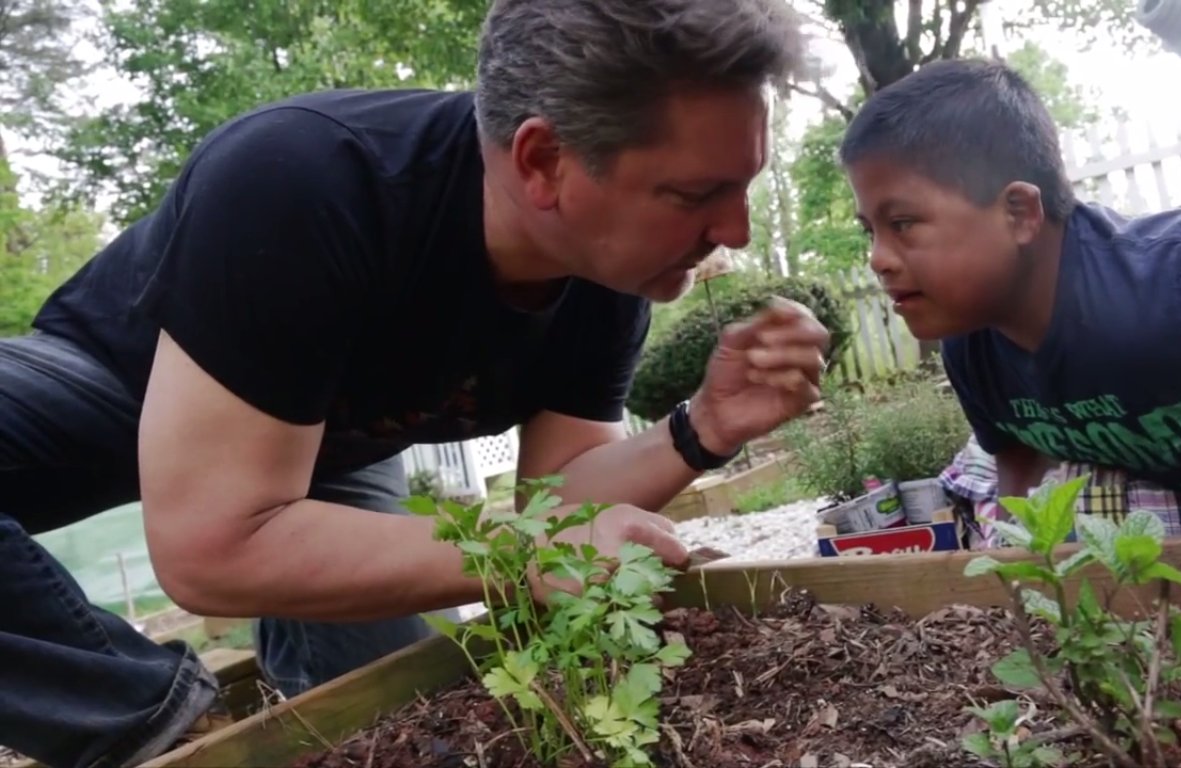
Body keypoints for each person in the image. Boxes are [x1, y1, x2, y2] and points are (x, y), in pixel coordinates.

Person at [0, 1, 830, 766]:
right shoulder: (309, 179)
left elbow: (557, 503)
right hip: (117, 382)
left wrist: (701, 428)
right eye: (696, 194)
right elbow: (211, 549)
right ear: (543, 161)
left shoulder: (602, 264)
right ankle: (165, 725)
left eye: (743, 185)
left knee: (397, 710)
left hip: (331, 452)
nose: (736, 231)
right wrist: (530, 555)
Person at [838, 58, 1181, 600]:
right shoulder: (972, 345)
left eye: (902, 224)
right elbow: (1017, 462)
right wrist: (1015, 567)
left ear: (1019, 212)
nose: (878, 259)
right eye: (871, 231)